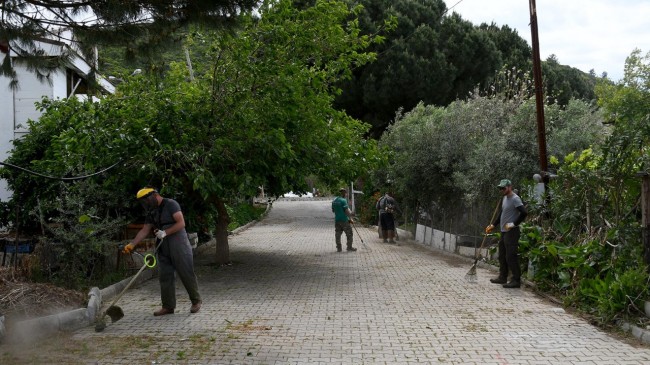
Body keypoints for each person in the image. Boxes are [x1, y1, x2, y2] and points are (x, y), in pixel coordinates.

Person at [123, 188, 202, 315]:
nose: (146, 203)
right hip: (163, 245)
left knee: (186, 272)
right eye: (144, 202)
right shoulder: (151, 211)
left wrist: (165, 232)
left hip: (179, 243)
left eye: (147, 200)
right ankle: (168, 306)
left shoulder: (171, 204)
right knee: (165, 275)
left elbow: (181, 223)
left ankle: (196, 301)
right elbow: (145, 229)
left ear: (154, 195)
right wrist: (132, 244)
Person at [485, 179, 528, 288]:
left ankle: (516, 280)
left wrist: (514, 224)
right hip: (504, 232)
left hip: (512, 232)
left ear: (510, 187)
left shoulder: (515, 199)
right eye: (500, 188)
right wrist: (493, 225)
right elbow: (502, 213)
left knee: (511, 256)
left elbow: (524, 213)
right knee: (502, 255)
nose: (502, 190)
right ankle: (502, 277)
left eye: (503, 188)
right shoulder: (505, 198)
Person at [331, 188, 356, 252]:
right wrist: (351, 215)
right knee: (349, 233)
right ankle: (349, 247)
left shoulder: (334, 200)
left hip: (337, 220)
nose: (347, 195)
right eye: (346, 193)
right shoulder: (343, 201)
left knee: (338, 234)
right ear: (344, 193)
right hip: (344, 220)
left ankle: (339, 248)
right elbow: (347, 211)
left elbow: (333, 210)